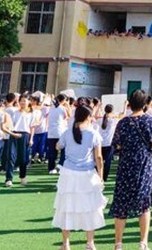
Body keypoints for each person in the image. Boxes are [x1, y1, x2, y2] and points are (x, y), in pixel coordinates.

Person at [111, 89, 152, 250]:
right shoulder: (151, 121)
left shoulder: (123, 122)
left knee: (121, 204)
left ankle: (118, 243)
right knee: (144, 204)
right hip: (144, 164)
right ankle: (143, 242)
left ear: (129, 103)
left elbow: (117, 144)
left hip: (126, 164)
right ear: (146, 104)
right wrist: (147, 145)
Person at [53, 104, 106, 250]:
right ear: (89, 117)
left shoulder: (68, 132)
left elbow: (58, 146)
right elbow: (99, 158)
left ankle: (66, 244)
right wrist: (101, 177)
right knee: (90, 208)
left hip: (69, 174)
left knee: (66, 207)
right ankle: (90, 243)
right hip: (87, 175)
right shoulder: (93, 133)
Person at [48, 95, 70, 175]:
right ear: (64, 100)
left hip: (51, 132)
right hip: (60, 132)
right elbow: (68, 117)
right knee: (64, 150)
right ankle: (60, 166)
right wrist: (67, 106)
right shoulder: (62, 108)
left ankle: (50, 168)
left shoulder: (51, 107)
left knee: (52, 152)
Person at [98, 104, 120, 182]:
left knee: (100, 160)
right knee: (107, 162)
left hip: (100, 143)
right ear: (112, 111)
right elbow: (122, 115)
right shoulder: (113, 121)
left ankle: (98, 176)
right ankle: (104, 178)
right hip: (109, 144)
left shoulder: (100, 120)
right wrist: (125, 105)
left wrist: (98, 108)